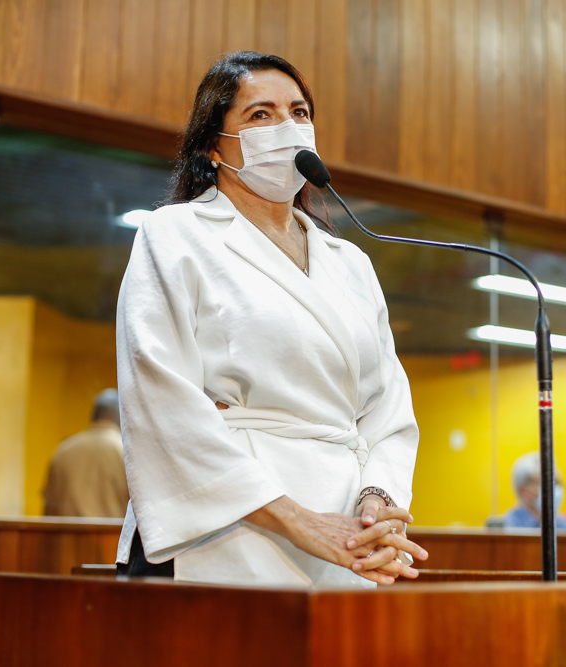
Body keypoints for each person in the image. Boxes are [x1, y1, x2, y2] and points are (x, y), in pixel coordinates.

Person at [114, 51, 427, 588]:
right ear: (213, 146)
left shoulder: (350, 263)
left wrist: (375, 506)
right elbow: (161, 399)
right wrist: (299, 521)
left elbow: (389, 411)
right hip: (225, 528)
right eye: (260, 115)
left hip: (346, 535)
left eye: (299, 112)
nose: (286, 127)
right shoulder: (175, 235)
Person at [43, 389, 129, 518]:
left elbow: (48, 507)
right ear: (122, 417)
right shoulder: (125, 451)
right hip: (112, 536)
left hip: (67, 536)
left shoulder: (64, 450)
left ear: (92, 416)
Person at [501, 452, 566, 530]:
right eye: (546, 483)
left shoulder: (564, 525)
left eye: (557, 483)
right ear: (524, 490)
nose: (554, 489)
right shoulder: (508, 526)